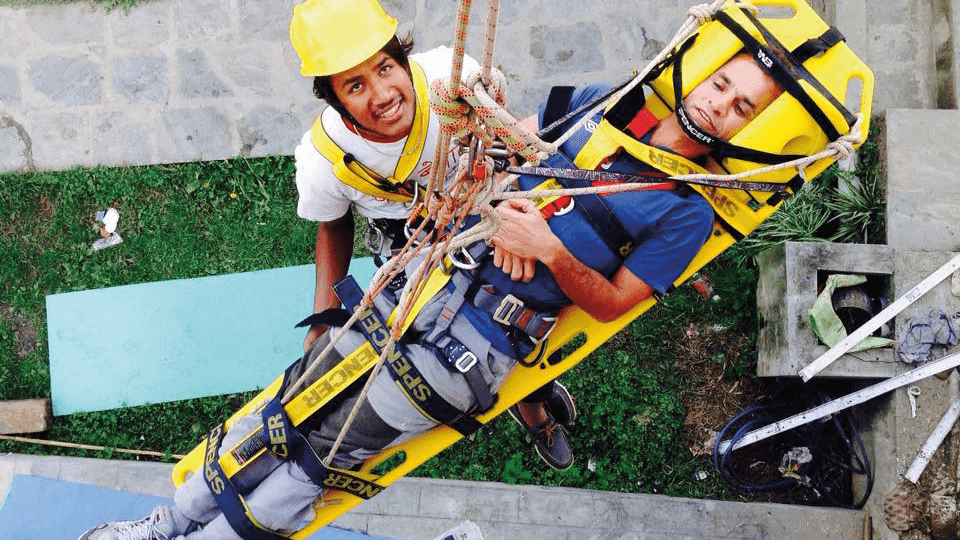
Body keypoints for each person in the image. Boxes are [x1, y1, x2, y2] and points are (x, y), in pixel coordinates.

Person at [76, 52, 782, 540]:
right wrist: (489, 189)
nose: (719, 106)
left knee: (325, 452)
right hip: (423, 286)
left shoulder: (687, 210)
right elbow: (506, 147)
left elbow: (611, 304)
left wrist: (547, 248)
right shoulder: (605, 110)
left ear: (749, 128)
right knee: (286, 407)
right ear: (701, 76)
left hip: (470, 348)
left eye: (741, 106)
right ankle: (162, 526)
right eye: (721, 85)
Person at [288, 0, 576, 468]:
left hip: (489, 211)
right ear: (334, 99)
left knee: (526, 320)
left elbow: (507, 133)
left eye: (385, 68)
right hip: (414, 251)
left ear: (403, 59)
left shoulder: (451, 78)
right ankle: (533, 410)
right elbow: (334, 224)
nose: (381, 94)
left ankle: (534, 404)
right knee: (472, 345)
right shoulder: (325, 161)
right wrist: (324, 313)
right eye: (355, 85)